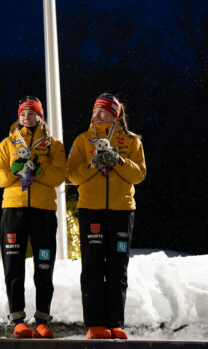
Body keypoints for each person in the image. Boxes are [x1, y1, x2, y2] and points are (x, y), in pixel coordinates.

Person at [67, 93, 146, 340]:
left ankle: (116, 323)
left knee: (117, 268)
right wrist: (93, 163)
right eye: (95, 111)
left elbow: (139, 175)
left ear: (116, 114)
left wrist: (117, 160)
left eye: (103, 111)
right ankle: (95, 324)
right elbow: (72, 176)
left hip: (122, 211)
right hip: (92, 210)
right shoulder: (82, 140)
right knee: (92, 268)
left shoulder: (132, 141)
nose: (97, 115)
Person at [0, 96, 66, 339]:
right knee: (13, 266)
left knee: (44, 265)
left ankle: (42, 320)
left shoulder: (53, 145)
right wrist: (15, 171)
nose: (26, 118)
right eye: (23, 114)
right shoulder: (8, 143)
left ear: (40, 115)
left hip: (43, 211)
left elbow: (60, 175)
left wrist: (38, 168)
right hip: (14, 209)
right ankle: (18, 321)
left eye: (31, 114)